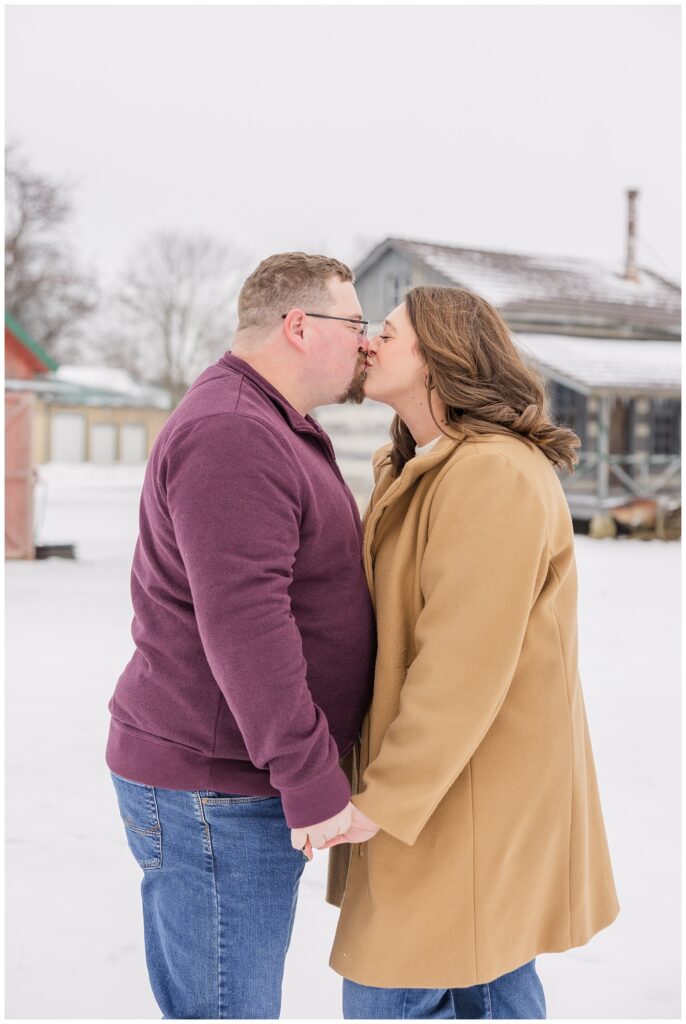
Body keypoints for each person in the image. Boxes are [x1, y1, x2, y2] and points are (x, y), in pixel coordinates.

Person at [316, 285, 620, 1019]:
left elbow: (462, 666)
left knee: (400, 983)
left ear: (438, 360)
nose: (367, 344)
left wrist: (383, 797)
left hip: (467, 792)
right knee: (486, 974)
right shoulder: (420, 468)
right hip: (442, 789)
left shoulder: (494, 476)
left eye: (386, 334)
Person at [106, 252, 376, 1019]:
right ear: (299, 326)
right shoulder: (234, 433)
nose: (365, 342)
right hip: (211, 790)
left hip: (232, 781)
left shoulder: (264, 422)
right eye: (355, 323)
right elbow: (247, 627)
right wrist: (310, 778)